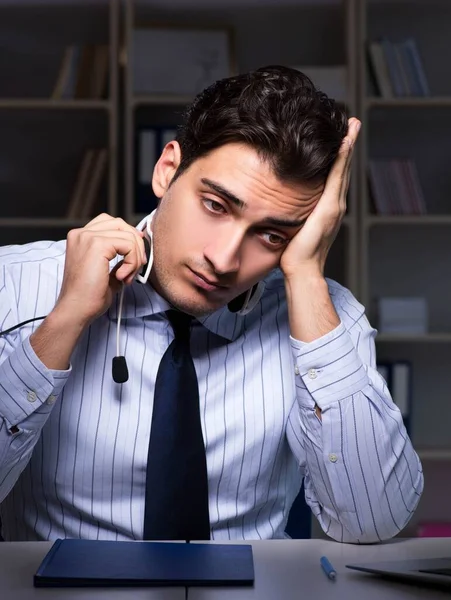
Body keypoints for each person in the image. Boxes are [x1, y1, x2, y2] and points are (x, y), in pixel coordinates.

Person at [0, 65, 422, 543]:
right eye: (216, 206)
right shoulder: (16, 283)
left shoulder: (323, 314)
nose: (223, 260)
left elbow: (372, 523)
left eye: (270, 234)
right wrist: (65, 320)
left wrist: (304, 274)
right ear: (167, 171)